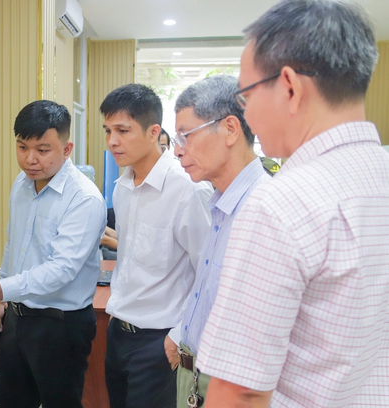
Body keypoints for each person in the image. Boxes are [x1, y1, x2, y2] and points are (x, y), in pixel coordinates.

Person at [195, 1, 389, 407]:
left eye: (246, 95)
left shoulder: (280, 202)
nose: (246, 114)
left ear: (289, 87)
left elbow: (241, 391)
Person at [0, 100, 107, 408]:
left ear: (67, 149)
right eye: (22, 147)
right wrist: (2, 297)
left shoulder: (84, 198)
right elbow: (14, 243)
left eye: (42, 150)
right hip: (17, 317)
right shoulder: (22, 184)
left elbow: (62, 269)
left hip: (61, 325)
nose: (30, 159)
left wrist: (3, 288)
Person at [101, 83, 212, 408]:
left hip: (159, 341)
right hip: (118, 333)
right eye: (108, 130)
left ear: (153, 132)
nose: (112, 141)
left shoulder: (188, 190)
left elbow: (209, 274)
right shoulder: (121, 187)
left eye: (123, 130)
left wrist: (178, 336)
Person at [170, 75, 270, 408]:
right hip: (193, 372)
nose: (177, 150)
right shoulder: (218, 203)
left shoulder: (264, 208)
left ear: (229, 129)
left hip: (231, 385)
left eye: (186, 135)